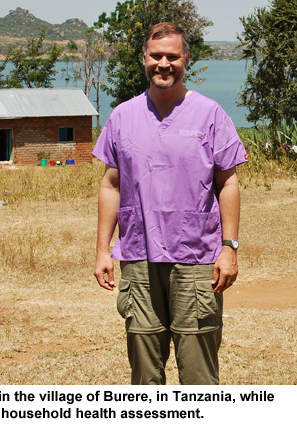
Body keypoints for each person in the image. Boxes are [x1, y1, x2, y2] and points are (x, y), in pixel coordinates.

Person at [93, 22, 248, 385]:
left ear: (186, 60)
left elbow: (228, 182)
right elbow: (111, 184)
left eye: (172, 57)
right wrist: (103, 250)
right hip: (138, 260)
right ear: (144, 59)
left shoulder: (209, 115)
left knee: (198, 374)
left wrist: (229, 247)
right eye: (156, 55)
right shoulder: (122, 116)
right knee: (145, 374)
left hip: (196, 260)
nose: (164, 63)